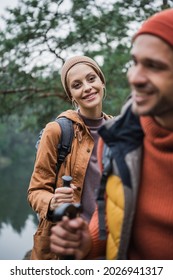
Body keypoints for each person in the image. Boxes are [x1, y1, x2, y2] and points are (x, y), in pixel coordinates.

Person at [50, 8, 173, 260]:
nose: (135, 77)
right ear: (70, 95)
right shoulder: (119, 138)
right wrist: (89, 242)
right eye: (135, 62)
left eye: (155, 66)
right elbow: (110, 211)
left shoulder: (111, 129)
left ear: (102, 81)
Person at [27, 55, 111, 260]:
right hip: (66, 249)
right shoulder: (56, 131)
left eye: (91, 79)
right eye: (77, 85)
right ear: (71, 95)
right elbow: (36, 190)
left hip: (108, 246)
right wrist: (52, 202)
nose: (87, 88)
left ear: (101, 81)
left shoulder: (118, 131)